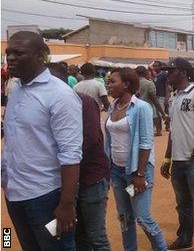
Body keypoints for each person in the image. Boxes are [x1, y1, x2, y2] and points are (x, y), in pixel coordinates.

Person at [2, 31, 82, 250]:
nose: (11, 58)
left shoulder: (60, 95)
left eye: (19, 53)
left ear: (41, 55)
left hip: (47, 199)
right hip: (15, 194)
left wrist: (66, 204)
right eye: (8, 53)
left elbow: (71, 154)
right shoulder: (16, 90)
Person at [47, 62, 112, 250]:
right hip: (68, 182)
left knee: (96, 236)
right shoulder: (48, 104)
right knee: (79, 235)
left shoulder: (83, 101)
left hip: (91, 178)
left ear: (62, 80)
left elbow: (89, 138)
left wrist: (63, 157)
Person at [105, 68, 168, 250]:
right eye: (108, 82)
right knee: (125, 217)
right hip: (117, 171)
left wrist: (140, 174)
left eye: (112, 81)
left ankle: (161, 248)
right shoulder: (112, 106)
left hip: (137, 171)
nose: (109, 85)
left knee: (142, 217)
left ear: (126, 84)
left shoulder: (141, 107)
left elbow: (146, 143)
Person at [159, 58, 194, 251]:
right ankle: (185, 238)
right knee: (183, 204)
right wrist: (167, 158)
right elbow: (173, 131)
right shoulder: (173, 98)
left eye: (171, 71)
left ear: (182, 72)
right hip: (178, 159)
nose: (168, 74)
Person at [136, 66, 167, 136]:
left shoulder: (133, 84)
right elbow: (154, 100)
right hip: (147, 111)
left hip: (136, 111)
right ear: (145, 73)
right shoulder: (149, 84)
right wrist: (163, 113)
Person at [153, 61, 170, 134]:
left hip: (162, 96)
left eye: (156, 66)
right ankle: (159, 130)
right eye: (154, 66)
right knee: (156, 115)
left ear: (160, 67)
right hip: (156, 96)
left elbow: (167, 86)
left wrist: (167, 98)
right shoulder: (155, 76)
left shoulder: (164, 75)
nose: (154, 67)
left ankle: (169, 125)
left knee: (162, 114)